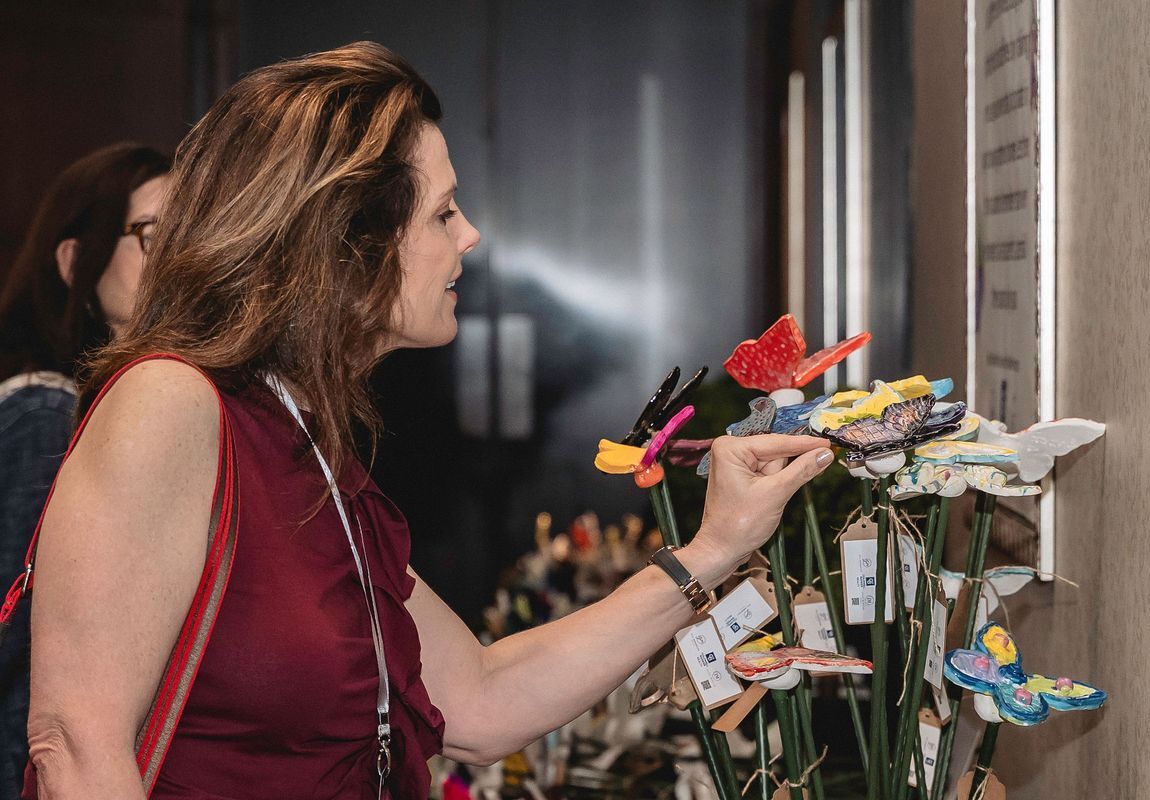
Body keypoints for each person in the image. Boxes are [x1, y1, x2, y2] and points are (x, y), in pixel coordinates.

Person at [21, 43, 834, 800]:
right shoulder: (171, 402)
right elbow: (76, 743)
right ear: (348, 241)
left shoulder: (303, 432)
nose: (471, 237)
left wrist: (716, 547)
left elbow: (478, 701)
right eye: (443, 213)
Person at [0, 143, 169, 800]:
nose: (185, 259)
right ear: (75, 262)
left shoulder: (122, 408)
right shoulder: (47, 413)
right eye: (155, 235)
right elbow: (32, 674)